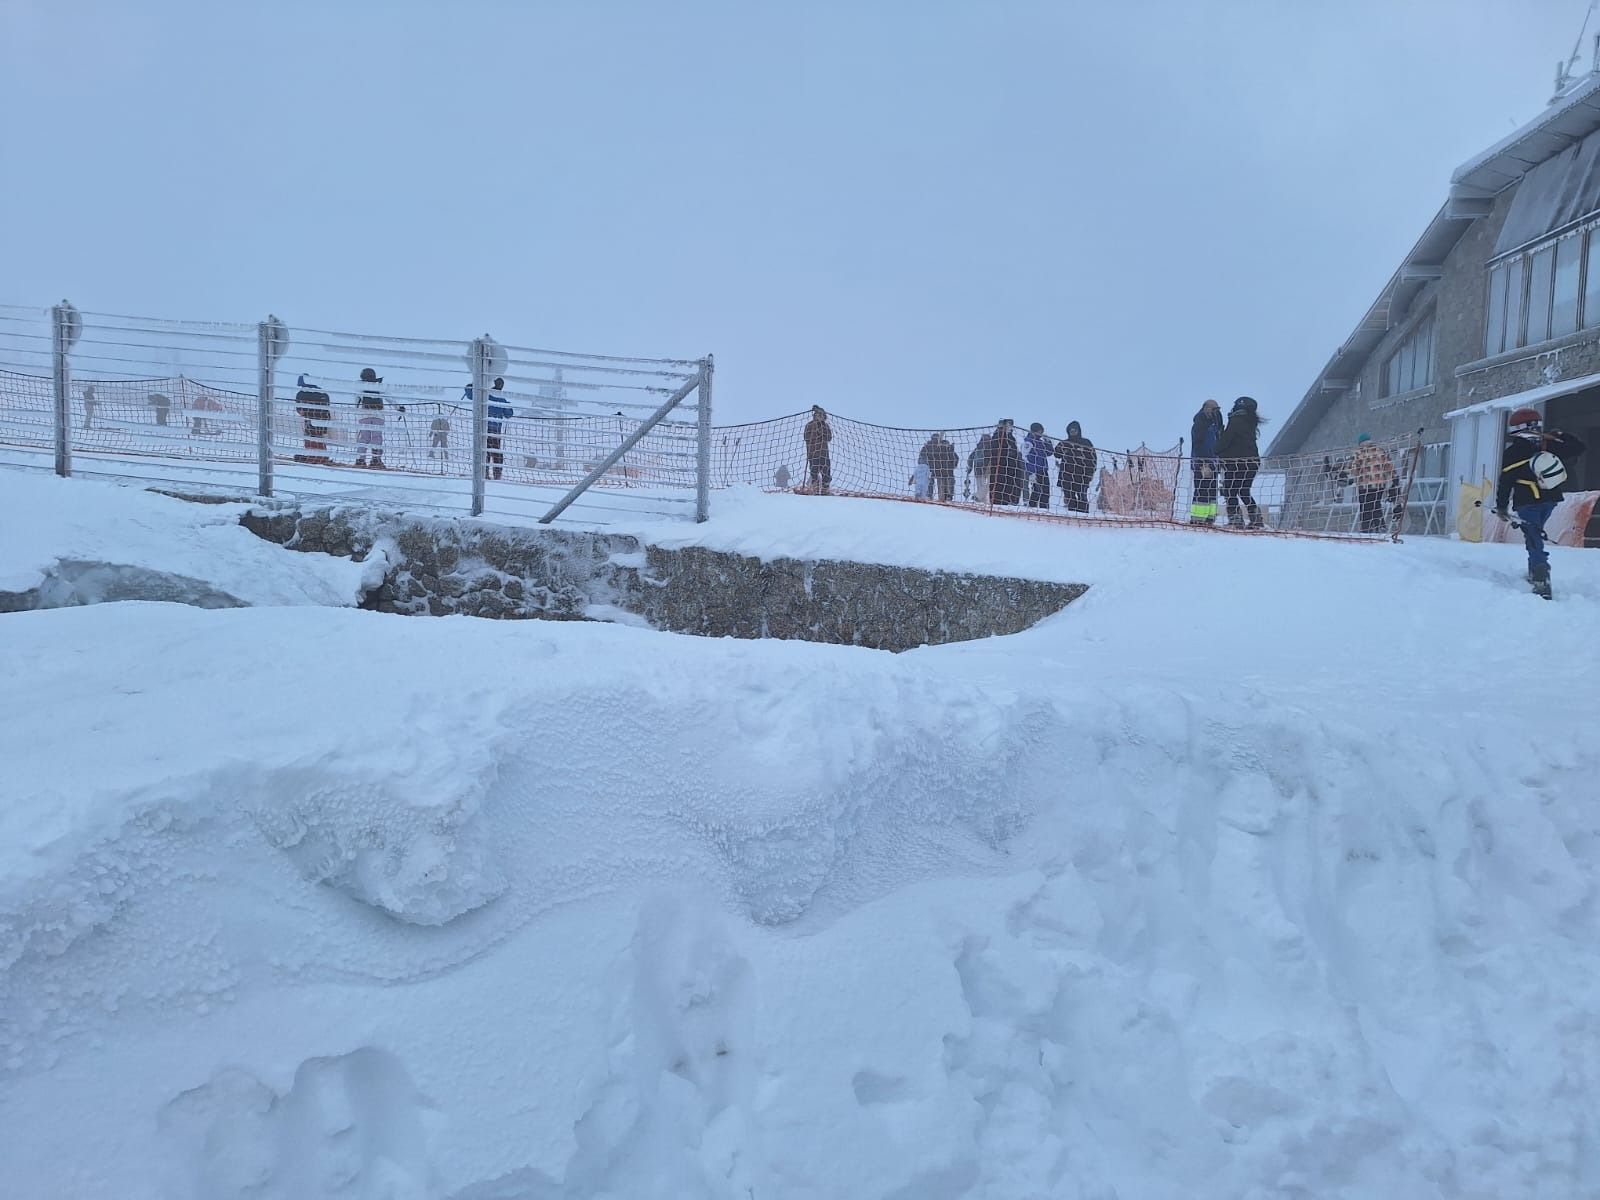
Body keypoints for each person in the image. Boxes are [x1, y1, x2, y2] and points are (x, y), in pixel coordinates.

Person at [1493, 407, 1587, 598]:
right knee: (1533, 534)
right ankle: (1534, 569)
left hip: (1526, 502)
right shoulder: (1549, 445)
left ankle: (1540, 574)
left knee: (1533, 536)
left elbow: (1505, 482)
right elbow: (1579, 447)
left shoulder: (1512, 452)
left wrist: (1502, 506)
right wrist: (1560, 435)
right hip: (1550, 501)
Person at [1215, 396, 1265, 528]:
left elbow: (1226, 440)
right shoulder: (1250, 422)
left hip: (1236, 463)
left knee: (1230, 490)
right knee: (1244, 490)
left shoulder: (1236, 421)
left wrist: (1217, 447)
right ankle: (1255, 517)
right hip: (1252, 463)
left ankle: (1235, 519)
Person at [1351, 433, 1397, 533]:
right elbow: (1389, 466)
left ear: (1360, 443)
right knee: (1376, 504)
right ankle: (1380, 525)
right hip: (1379, 485)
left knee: (1365, 506)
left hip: (1365, 485)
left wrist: (1353, 476)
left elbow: (1354, 469)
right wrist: (1394, 477)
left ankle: (1366, 527)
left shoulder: (1359, 453)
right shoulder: (1380, 451)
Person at [1189, 399, 1224, 524]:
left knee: (1212, 490)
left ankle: (1210, 517)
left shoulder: (1215, 424)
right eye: (1214, 409)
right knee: (1202, 488)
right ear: (1206, 408)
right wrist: (1203, 462)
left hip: (1213, 462)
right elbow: (1199, 444)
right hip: (1202, 462)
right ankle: (1198, 518)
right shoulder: (1201, 423)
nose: (1216, 412)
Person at [1053, 420, 1096, 513]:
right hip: (1067, 475)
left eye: (1075, 430)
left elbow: (1093, 459)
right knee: (1070, 497)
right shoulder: (1064, 443)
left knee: (1082, 496)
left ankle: (1084, 516)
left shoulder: (1086, 443)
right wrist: (1060, 449)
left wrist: (1090, 473)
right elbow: (1056, 454)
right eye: (1071, 431)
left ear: (1078, 430)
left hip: (1082, 475)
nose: (1073, 432)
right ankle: (1072, 517)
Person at [294, 374, 333, 465]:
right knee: (320, 437)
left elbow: (300, 410)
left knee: (309, 437)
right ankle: (322, 457)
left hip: (311, 419)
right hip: (324, 418)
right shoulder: (322, 392)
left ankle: (312, 457)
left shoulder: (302, 393)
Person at [988, 418, 1025, 505]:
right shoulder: (998, 436)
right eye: (1008, 425)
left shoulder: (1011, 437)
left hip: (1010, 467)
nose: (1010, 427)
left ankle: (1009, 500)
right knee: (998, 484)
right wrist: (1007, 453)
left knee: (1009, 485)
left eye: (1011, 425)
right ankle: (997, 502)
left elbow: (1014, 451)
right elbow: (995, 451)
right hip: (1000, 466)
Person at [354, 367, 385, 469]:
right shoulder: (379, 386)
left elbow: (356, 401)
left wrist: (356, 409)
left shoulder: (360, 387)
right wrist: (399, 408)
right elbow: (390, 397)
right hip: (378, 415)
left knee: (364, 438)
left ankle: (360, 460)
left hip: (364, 415)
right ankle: (376, 460)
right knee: (377, 438)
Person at [486, 376, 512, 480]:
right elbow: (509, 414)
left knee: (486, 452)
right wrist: (508, 406)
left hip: (485, 428)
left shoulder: (487, 394)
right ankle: (497, 474)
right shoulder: (501, 398)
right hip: (495, 429)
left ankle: (485, 473)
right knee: (496, 453)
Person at [802, 405, 832, 494]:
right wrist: (816, 433)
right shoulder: (809, 425)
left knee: (826, 473)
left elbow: (829, 438)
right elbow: (806, 437)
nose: (819, 417)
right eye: (818, 415)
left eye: (821, 415)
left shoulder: (825, 426)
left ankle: (825, 490)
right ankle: (814, 489)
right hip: (813, 454)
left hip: (824, 453)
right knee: (814, 473)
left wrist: (821, 429)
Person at [1023, 422, 1053, 509]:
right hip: (1035, 470)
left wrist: (1048, 442)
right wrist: (1031, 472)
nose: (1041, 433)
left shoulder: (1040, 442)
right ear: (1034, 431)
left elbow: (1049, 452)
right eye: (1040, 431)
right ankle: (1032, 507)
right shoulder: (1029, 441)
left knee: (1045, 491)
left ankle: (1044, 508)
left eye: (1042, 431)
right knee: (1037, 490)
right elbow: (1025, 457)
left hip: (1043, 469)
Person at [924, 431, 958, 502]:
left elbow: (955, 461)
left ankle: (947, 497)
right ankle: (931, 495)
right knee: (937, 484)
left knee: (947, 485)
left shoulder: (949, 451)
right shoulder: (931, 447)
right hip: (937, 470)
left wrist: (951, 450)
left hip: (945, 472)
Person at [969, 430, 994, 504]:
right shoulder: (990, 447)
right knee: (988, 485)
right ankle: (981, 499)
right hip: (987, 468)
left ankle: (982, 501)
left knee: (981, 485)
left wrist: (970, 467)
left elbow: (970, 457)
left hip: (977, 468)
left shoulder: (978, 447)